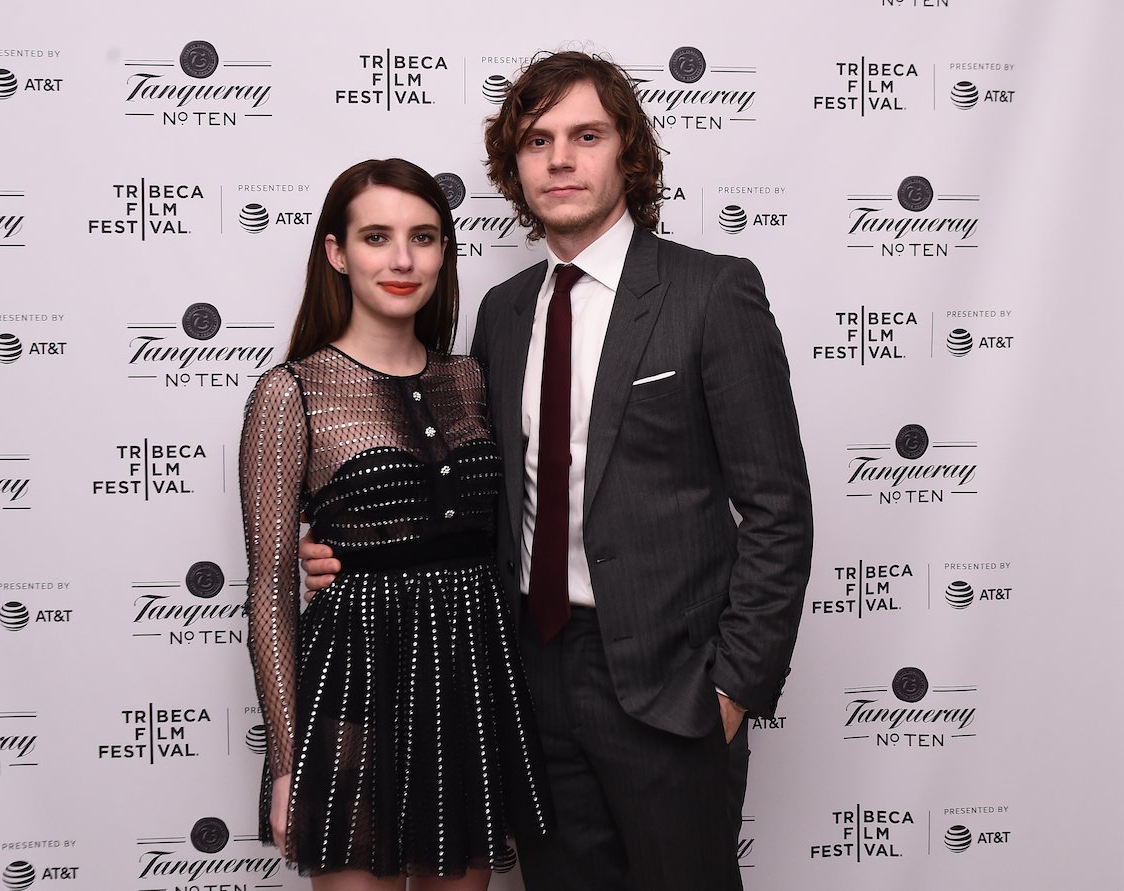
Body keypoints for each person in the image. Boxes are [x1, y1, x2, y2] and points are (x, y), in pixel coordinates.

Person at [304, 51, 812, 891]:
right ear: (515, 168)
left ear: (628, 153)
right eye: (538, 141)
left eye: (586, 135)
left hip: (670, 684)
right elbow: (466, 490)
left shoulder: (711, 293)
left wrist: (731, 687)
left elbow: (778, 508)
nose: (562, 160)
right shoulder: (502, 315)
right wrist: (337, 548)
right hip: (529, 672)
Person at [240, 158, 551, 891]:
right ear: (337, 253)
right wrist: (287, 764)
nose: (404, 259)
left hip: (470, 688)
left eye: (425, 237)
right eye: (377, 237)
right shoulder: (292, 392)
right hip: (354, 692)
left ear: (446, 251)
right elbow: (268, 591)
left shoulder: (471, 377)